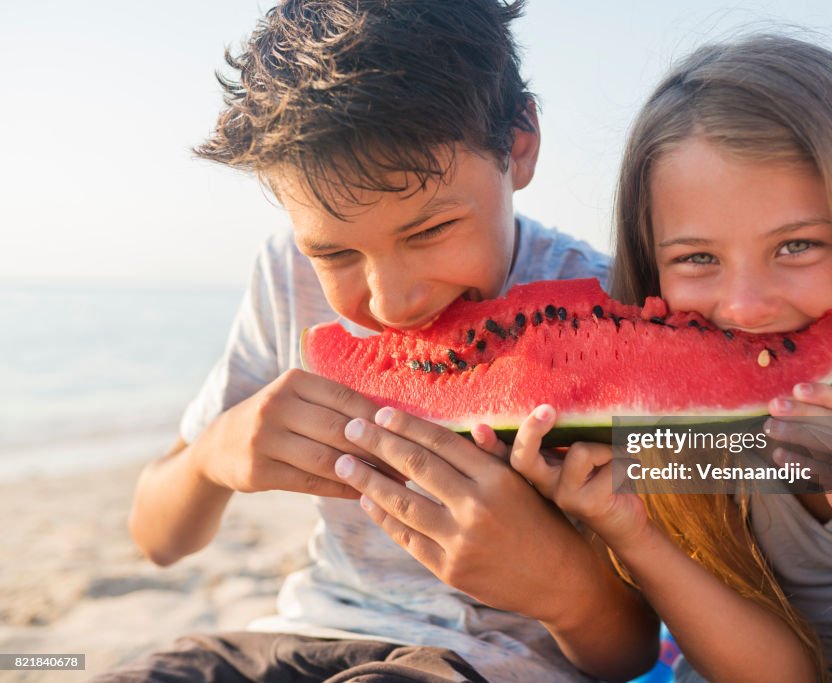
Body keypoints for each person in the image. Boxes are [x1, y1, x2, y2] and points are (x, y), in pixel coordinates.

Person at [363, 35, 832, 682]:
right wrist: (634, 535)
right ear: (651, 264)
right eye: (698, 259)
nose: (746, 305)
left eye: (797, 246)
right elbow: (779, 674)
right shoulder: (663, 423)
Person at [95, 1, 659, 681]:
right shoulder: (285, 274)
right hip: (290, 635)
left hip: (483, 664)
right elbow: (158, 539)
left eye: (427, 232)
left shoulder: (618, 316)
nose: (392, 302)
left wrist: (563, 583)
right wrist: (212, 457)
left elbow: (631, 654)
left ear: (520, 142)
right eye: (334, 253)